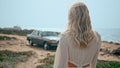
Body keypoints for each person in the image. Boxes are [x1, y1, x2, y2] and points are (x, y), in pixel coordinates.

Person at [53, 2, 101, 68]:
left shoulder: (65, 37)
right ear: (87, 16)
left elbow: (61, 65)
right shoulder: (97, 37)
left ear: (71, 17)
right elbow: (94, 64)